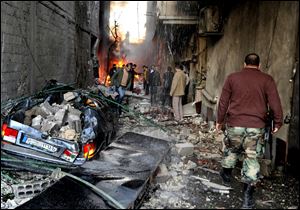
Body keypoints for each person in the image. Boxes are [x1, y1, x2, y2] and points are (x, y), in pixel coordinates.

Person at [216, 53, 283, 209]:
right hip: (255, 126)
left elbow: (223, 102)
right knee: (251, 159)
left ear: (244, 63)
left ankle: (226, 176)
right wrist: (278, 122)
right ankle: (247, 199)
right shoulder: (267, 80)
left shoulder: (232, 78)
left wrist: (219, 121)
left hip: (235, 124)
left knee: (231, 150)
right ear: (259, 65)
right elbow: (275, 103)